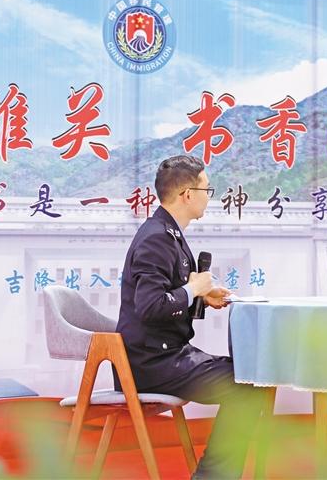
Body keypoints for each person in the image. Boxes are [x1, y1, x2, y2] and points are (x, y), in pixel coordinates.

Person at [115, 155, 265, 479]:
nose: (208, 197)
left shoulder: (167, 232)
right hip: (152, 363)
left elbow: (167, 297)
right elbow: (150, 306)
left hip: (166, 355)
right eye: (206, 190)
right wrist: (193, 288)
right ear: (187, 194)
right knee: (247, 384)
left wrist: (201, 296)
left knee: (249, 378)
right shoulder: (157, 238)